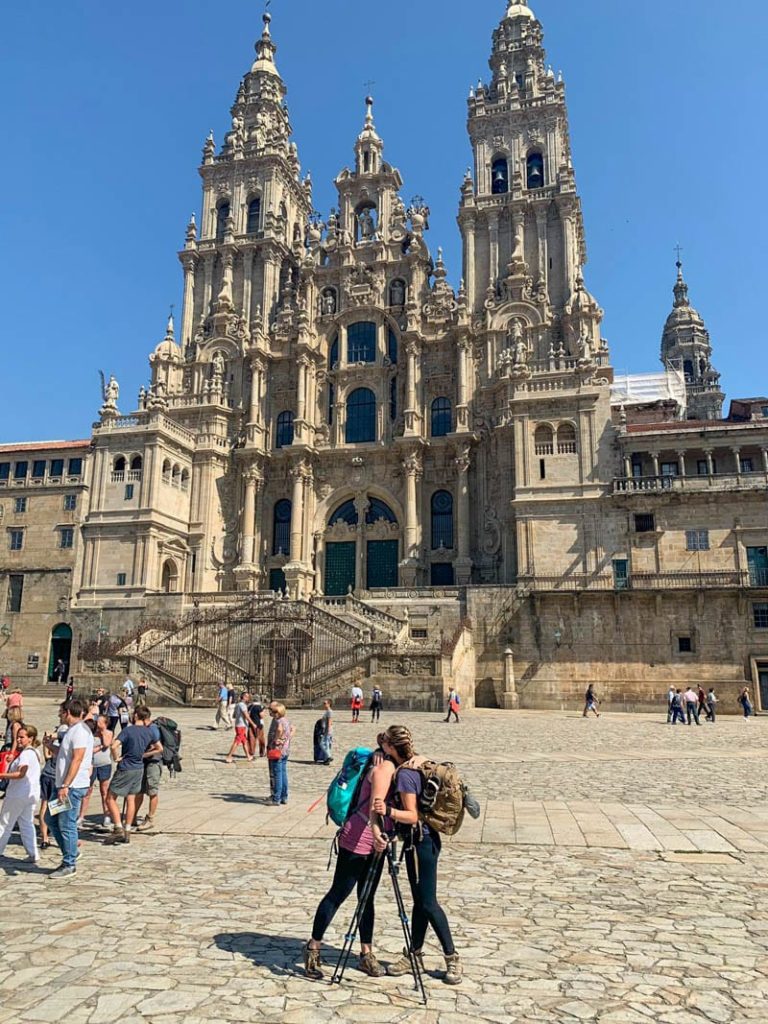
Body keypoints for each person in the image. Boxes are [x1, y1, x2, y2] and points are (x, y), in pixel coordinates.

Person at [372, 724, 463, 985]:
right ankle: (414, 954)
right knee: (420, 901)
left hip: (419, 842)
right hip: (422, 841)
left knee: (428, 902)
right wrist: (381, 749)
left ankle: (452, 956)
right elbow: (382, 740)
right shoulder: (416, 760)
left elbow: (411, 816)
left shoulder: (405, 776)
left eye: (386, 745)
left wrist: (387, 812)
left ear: (392, 748)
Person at [304, 741, 394, 980]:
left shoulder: (389, 764)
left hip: (377, 843)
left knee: (367, 898)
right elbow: (376, 807)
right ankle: (313, 947)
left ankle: (366, 953)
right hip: (357, 839)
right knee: (338, 893)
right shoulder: (379, 768)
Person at [47, 699, 94, 879]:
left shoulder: (80, 732)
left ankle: (69, 863)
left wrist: (66, 785)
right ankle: (71, 851)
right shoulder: (71, 731)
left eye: (61, 711)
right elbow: (66, 754)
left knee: (66, 823)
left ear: (67, 712)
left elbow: (77, 759)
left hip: (71, 788)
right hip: (64, 785)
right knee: (49, 819)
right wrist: (50, 746)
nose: (59, 715)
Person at [103, 706, 162, 845]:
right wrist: (144, 755)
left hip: (126, 767)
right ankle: (127, 830)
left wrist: (116, 757)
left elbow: (113, 746)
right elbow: (160, 748)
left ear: (135, 716)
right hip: (139, 768)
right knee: (131, 799)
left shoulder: (128, 730)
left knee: (110, 797)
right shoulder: (149, 732)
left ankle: (118, 827)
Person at [0, 725, 41, 864]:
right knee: (26, 824)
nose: (18, 739)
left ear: (31, 738)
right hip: (31, 794)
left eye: (22, 737)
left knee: (5, 823)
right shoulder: (35, 752)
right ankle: (33, 853)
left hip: (18, 793)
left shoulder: (25, 754)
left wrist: (2, 775)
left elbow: (21, 773)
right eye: (17, 737)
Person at [79, 715, 113, 829]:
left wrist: (102, 733)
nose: (97, 723)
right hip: (92, 765)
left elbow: (107, 744)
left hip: (104, 764)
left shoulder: (108, 733)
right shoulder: (91, 733)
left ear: (105, 723)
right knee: (88, 791)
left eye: (100, 722)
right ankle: (81, 816)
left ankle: (107, 816)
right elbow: (89, 750)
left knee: (104, 791)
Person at [134, 709, 163, 831]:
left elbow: (159, 748)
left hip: (153, 762)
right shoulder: (144, 728)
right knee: (138, 790)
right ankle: (133, 815)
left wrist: (143, 754)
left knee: (152, 791)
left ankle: (150, 818)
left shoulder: (153, 729)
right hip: (144, 763)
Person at [266, 702, 294, 805]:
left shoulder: (278, 721)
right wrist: (286, 739)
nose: (272, 713)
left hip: (278, 750)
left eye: (273, 711)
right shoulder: (286, 720)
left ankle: (276, 798)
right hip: (286, 750)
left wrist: (276, 739)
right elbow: (293, 729)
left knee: (277, 774)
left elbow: (279, 729)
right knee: (283, 774)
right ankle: (284, 796)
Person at [225, 692, 256, 763]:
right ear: (244, 697)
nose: (248, 698)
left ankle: (248, 756)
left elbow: (234, 716)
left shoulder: (237, 705)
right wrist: (253, 723)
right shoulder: (243, 705)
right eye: (247, 697)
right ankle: (229, 756)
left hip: (238, 725)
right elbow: (246, 716)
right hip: (241, 726)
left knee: (244, 741)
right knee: (237, 741)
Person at [313, 700, 333, 765]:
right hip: (325, 729)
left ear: (329, 704)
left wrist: (327, 731)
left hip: (326, 730)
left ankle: (329, 756)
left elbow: (329, 722)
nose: (324, 704)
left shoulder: (329, 712)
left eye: (325, 703)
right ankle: (327, 759)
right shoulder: (327, 711)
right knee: (326, 744)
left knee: (322, 743)